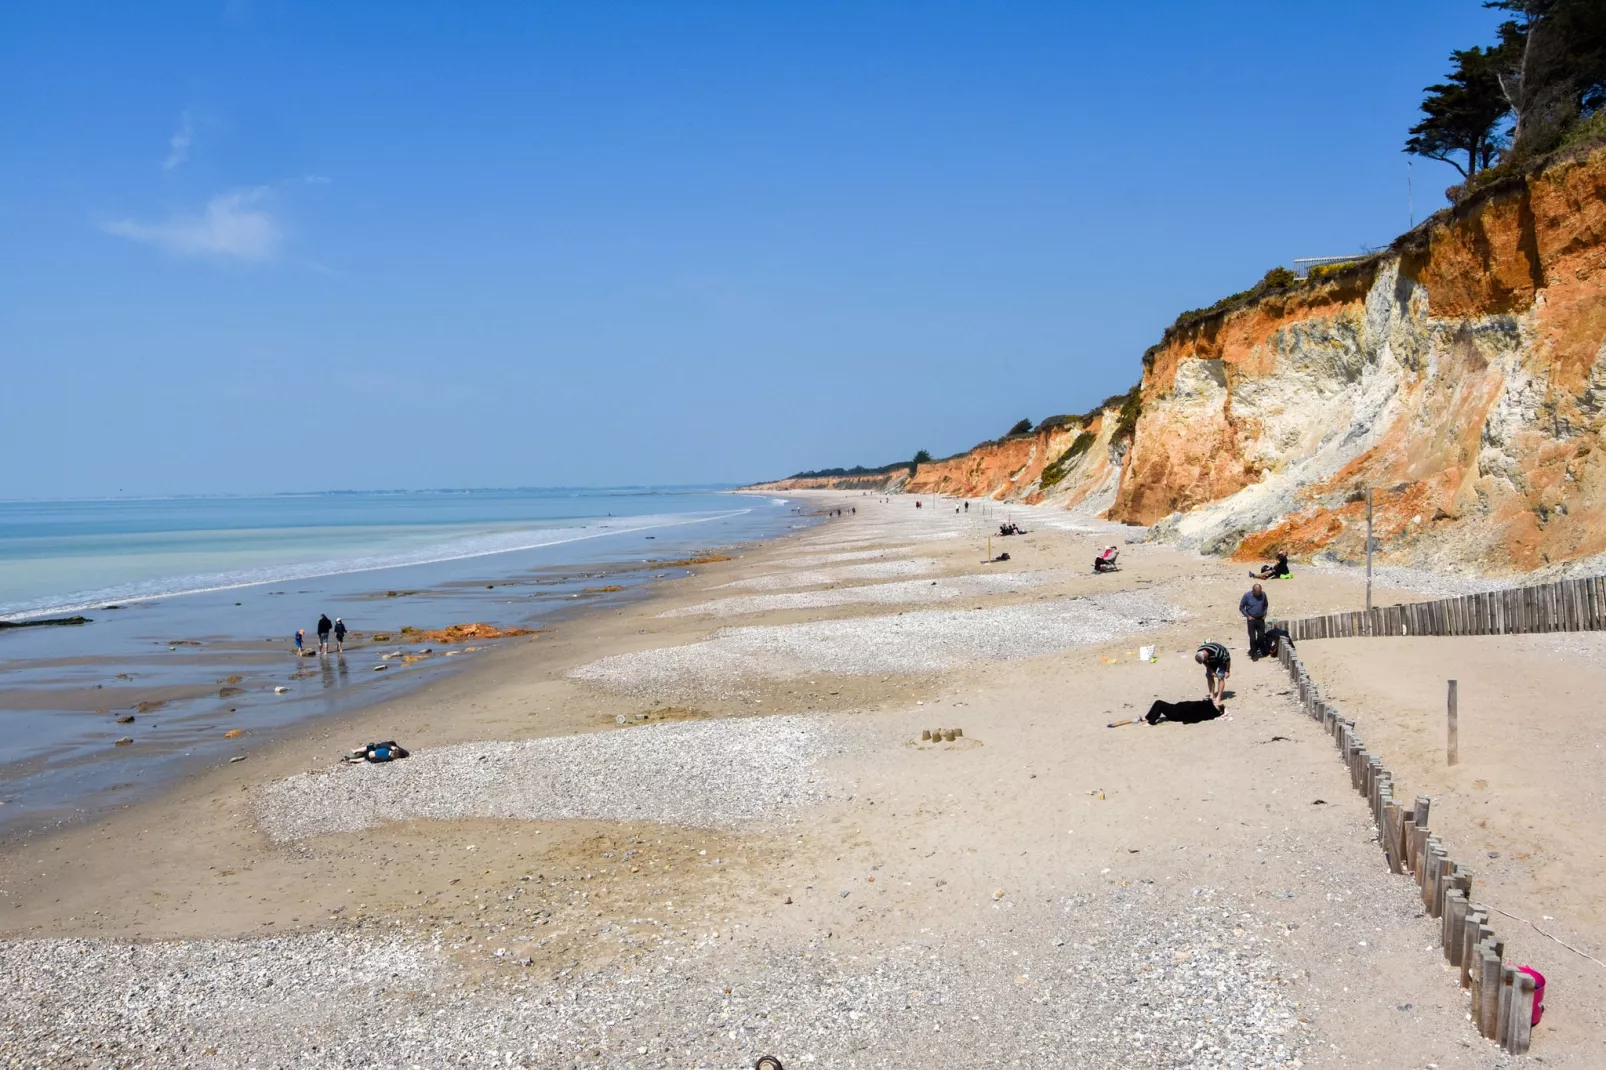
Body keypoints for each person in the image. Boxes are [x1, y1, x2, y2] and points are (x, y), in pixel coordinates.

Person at [1195, 641, 1231, 708]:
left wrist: (1227, 671)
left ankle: (1219, 697)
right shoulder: (1200, 651)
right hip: (1211, 660)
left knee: (1220, 676)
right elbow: (1205, 662)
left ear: (1206, 656)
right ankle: (1212, 695)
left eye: (1204, 660)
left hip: (1221, 660)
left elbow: (1228, 660)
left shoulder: (1218, 652)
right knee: (1209, 675)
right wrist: (1211, 670)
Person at [1240, 583, 1269, 658]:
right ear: (1253, 591)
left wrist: (1265, 613)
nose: (1259, 594)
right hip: (1251, 620)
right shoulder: (1247, 596)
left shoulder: (1263, 594)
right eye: (1257, 593)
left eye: (1260, 592)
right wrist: (1247, 616)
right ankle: (1253, 653)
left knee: (1261, 637)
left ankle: (1259, 650)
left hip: (1260, 619)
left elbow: (1266, 604)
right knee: (1252, 638)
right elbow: (1241, 607)